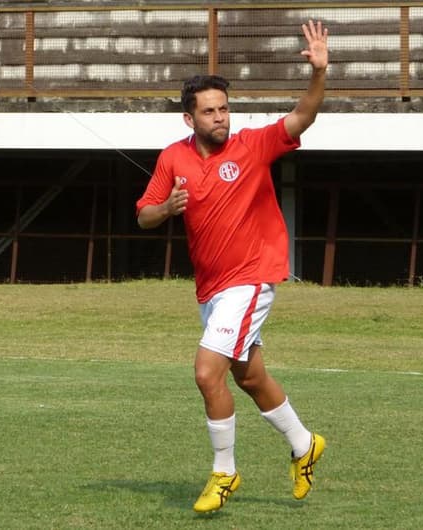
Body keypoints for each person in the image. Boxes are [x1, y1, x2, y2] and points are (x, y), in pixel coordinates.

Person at [136, 20, 328, 513]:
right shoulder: (172, 159)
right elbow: (144, 216)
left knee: (206, 373)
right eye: (210, 111)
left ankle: (224, 472)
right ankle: (305, 444)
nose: (220, 118)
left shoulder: (252, 146)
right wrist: (167, 208)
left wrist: (319, 74)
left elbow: (301, 118)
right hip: (212, 289)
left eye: (224, 109)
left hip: (252, 277)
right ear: (189, 118)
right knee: (249, 377)